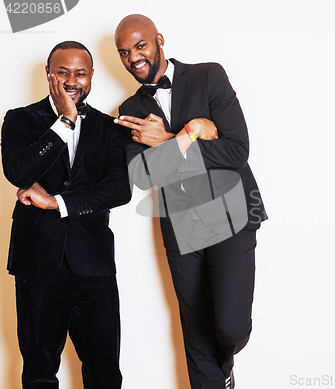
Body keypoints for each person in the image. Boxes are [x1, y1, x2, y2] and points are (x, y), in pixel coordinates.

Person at [114, 14, 267, 389]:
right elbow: (142, 176)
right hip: (181, 228)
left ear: (159, 40)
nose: (133, 57)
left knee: (230, 326)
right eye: (123, 52)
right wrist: (189, 134)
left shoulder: (208, 76)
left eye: (140, 45)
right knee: (195, 334)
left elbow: (236, 150)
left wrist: (164, 142)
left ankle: (225, 362)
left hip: (232, 216)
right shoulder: (130, 111)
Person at [1, 41, 131, 389]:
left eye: (80, 73)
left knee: (104, 372)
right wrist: (65, 122)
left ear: (91, 77)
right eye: (62, 72)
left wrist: (55, 202)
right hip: (38, 262)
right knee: (39, 372)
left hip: (94, 263)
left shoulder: (109, 128)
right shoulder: (20, 119)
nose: (72, 80)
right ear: (48, 74)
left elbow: (120, 189)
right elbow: (17, 169)